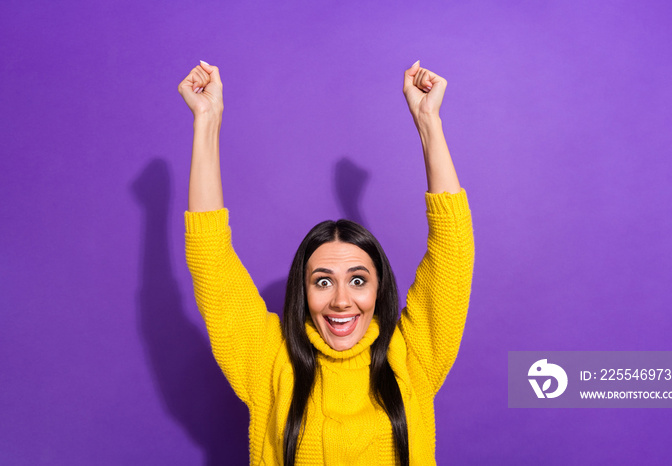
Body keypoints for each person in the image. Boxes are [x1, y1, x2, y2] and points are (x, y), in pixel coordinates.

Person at [178, 59, 474, 465]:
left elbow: (452, 249)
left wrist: (428, 122)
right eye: (322, 281)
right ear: (303, 292)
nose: (340, 301)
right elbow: (211, 256)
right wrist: (207, 121)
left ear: (379, 289)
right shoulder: (268, 359)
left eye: (357, 280)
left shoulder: (413, 356)